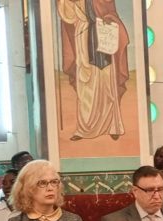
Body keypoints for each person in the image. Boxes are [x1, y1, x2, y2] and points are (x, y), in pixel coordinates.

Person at [56, 0, 128, 142]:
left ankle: (113, 126)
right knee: (86, 89)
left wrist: (109, 19)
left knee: (108, 87)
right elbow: (68, 16)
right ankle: (84, 129)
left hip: (105, 42)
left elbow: (112, 14)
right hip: (84, 42)